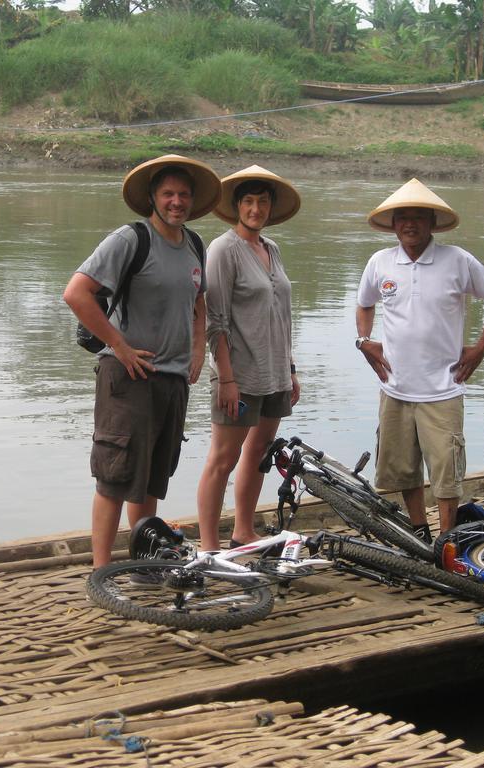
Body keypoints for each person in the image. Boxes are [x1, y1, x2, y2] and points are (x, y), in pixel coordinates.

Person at [63, 155, 221, 568]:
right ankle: (101, 571)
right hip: (128, 376)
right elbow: (76, 293)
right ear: (152, 197)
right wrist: (119, 345)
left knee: (152, 476)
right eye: (168, 194)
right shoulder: (131, 239)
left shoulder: (194, 244)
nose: (176, 202)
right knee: (115, 477)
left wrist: (198, 348)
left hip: (171, 380)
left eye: (184, 195)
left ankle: (144, 562)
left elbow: (198, 301)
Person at [355, 178, 484, 540]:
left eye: (418, 217)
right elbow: (364, 303)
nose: (410, 224)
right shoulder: (380, 262)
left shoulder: (458, 260)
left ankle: (447, 539)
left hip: (443, 389)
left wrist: (481, 346)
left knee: (446, 472)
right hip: (395, 388)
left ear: (432, 223)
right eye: (402, 218)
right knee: (403, 469)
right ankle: (420, 531)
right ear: (393, 224)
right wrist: (364, 341)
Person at [196, 166, 302, 550]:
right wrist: (226, 378)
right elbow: (215, 320)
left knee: (259, 453)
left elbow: (283, 315)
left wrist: (290, 369)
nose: (255, 209)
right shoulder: (224, 249)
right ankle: (209, 546)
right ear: (237, 207)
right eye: (248, 202)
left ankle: (243, 531)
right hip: (238, 374)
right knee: (223, 458)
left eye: (262, 202)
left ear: (271, 208)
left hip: (274, 373)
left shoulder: (271, 249)